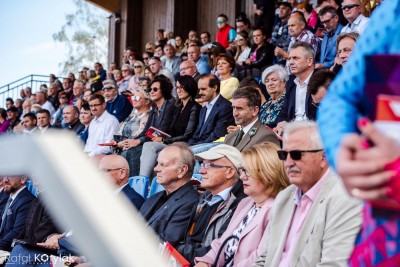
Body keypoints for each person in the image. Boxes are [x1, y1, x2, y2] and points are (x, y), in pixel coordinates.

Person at [252, 121, 362, 267]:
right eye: (284, 155)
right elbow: (264, 259)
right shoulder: (284, 197)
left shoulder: (344, 197)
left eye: (296, 155)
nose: (288, 163)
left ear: (323, 157)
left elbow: (334, 264)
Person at [194, 143, 290, 267]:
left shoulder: (278, 211)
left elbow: (260, 260)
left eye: (248, 171)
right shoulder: (245, 202)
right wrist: (204, 262)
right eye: (242, 170)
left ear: (269, 174)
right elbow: (222, 242)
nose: (242, 177)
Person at [176, 144, 246, 265]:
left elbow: (217, 250)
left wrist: (178, 250)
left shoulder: (240, 204)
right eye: (202, 164)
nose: (202, 171)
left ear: (229, 172)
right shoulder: (205, 198)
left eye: (209, 165)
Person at [139, 76, 201, 178]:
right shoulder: (178, 107)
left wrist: (164, 140)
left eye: (182, 87)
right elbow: (171, 130)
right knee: (151, 148)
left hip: (183, 144)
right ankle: (150, 183)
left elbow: (188, 134)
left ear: (190, 87)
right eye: (177, 87)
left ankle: (142, 180)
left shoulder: (194, 107)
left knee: (149, 146)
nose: (179, 90)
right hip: (171, 142)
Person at [139, 143, 200, 246]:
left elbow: (165, 243)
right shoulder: (154, 198)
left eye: (162, 165)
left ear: (182, 170)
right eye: (157, 163)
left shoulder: (191, 202)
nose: (155, 169)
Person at [121, 75, 176, 176]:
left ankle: (141, 182)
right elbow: (146, 131)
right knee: (129, 148)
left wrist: (138, 141)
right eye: (150, 89)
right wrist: (131, 141)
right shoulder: (154, 110)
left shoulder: (170, 107)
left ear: (164, 90)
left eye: (155, 89)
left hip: (168, 142)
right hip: (154, 141)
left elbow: (159, 131)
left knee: (134, 151)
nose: (151, 92)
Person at [275, 42, 317, 135]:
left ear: (309, 61)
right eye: (289, 58)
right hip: (292, 135)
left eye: (296, 58)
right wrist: (281, 124)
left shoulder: (321, 80)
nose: (291, 62)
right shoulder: (291, 83)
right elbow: (283, 113)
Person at [188, 74, 234, 145]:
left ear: (214, 88)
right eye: (199, 89)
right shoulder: (203, 109)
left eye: (203, 89)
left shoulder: (226, 107)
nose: (200, 93)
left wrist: (193, 148)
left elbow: (217, 136)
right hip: (199, 146)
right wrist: (187, 146)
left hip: (212, 147)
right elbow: (197, 134)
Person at [0, 176, 35, 250]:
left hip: (10, 251)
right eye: (4, 176)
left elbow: (17, 232)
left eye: (10, 176)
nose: (5, 180)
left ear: (23, 179)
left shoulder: (26, 200)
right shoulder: (11, 197)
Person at [84, 94, 119, 159]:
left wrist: (90, 155)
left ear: (104, 105)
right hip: (90, 158)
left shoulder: (111, 121)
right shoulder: (92, 122)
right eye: (91, 106)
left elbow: (110, 146)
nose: (93, 108)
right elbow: (88, 144)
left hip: (103, 159)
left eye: (96, 105)